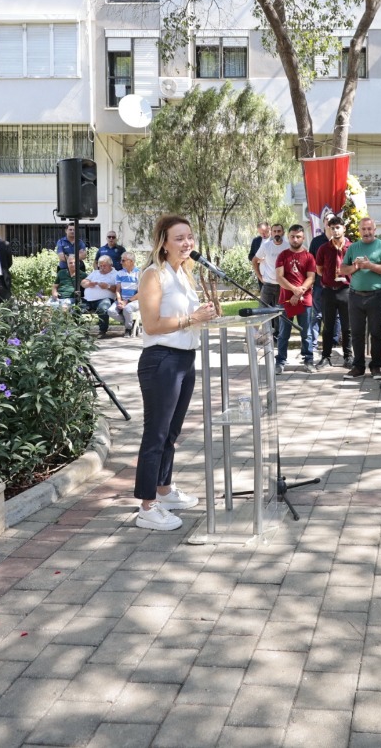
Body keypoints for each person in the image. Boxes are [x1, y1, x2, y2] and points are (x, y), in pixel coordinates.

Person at [131, 215, 217, 531]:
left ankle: (164, 491)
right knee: (155, 434)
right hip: (161, 360)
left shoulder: (183, 274)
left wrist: (202, 316)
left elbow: (186, 318)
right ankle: (147, 507)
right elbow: (152, 324)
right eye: (179, 238)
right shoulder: (154, 275)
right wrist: (191, 319)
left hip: (184, 359)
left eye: (189, 237)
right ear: (163, 243)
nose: (187, 243)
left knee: (171, 433)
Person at [340, 217, 381, 379]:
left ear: (374, 230)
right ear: (359, 230)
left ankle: (376, 367)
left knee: (376, 333)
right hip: (355, 296)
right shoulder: (353, 247)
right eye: (363, 229)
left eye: (369, 229)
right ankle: (358, 366)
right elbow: (343, 269)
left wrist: (370, 265)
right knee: (356, 333)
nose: (366, 232)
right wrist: (355, 266)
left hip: (376, 296)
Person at [274, 224, 319, 372]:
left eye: (298, 237)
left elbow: (311, 278)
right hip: (286, 300)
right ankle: (280, 361)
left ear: (303, 238)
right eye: (292, 236)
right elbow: (279, 277)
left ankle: (308, 360)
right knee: (283, 333)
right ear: (288, 237)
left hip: (305, 300)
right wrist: (294, 290)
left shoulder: (309, 257)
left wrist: (299, 293)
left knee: (306, 333)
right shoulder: (282, 255)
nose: (295, 239)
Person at [314, 218, 351, 368]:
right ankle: (326, 356)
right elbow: (319, 270)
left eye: (338, 227)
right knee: (328, 326)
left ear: (344, 229)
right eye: (332, 228)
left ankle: (348, 356)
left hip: (346, 291)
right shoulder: (323, 248)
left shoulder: (351, 247)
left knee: (347, 327)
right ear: (329, 229)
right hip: (329, 291)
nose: (335, 231)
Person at [80, 254, 121, 336]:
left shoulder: (116, 274)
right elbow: (82, 282)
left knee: (103, 308)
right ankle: (79, 330)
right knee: (76, 308)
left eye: (104, 266)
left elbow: (118, 289)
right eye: (100, 266)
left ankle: (102, 331)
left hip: (104, 299)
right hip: (88, 299)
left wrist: (108, 286)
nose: (102, 268)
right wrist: (88, 284)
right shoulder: (95, 272)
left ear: (111, 265)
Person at [115, 252, 141, 334]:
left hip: (135, 301)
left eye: (123, 260)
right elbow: (118, 290)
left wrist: (126, 302)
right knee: (111, 311)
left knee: (127, 308)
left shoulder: (140, 273)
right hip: (122, 300)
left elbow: (141, 293)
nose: (121, 262)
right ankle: (131, 323)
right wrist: (119, 301)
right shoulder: (120, 273)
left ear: (131, 261)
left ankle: (128, 329)